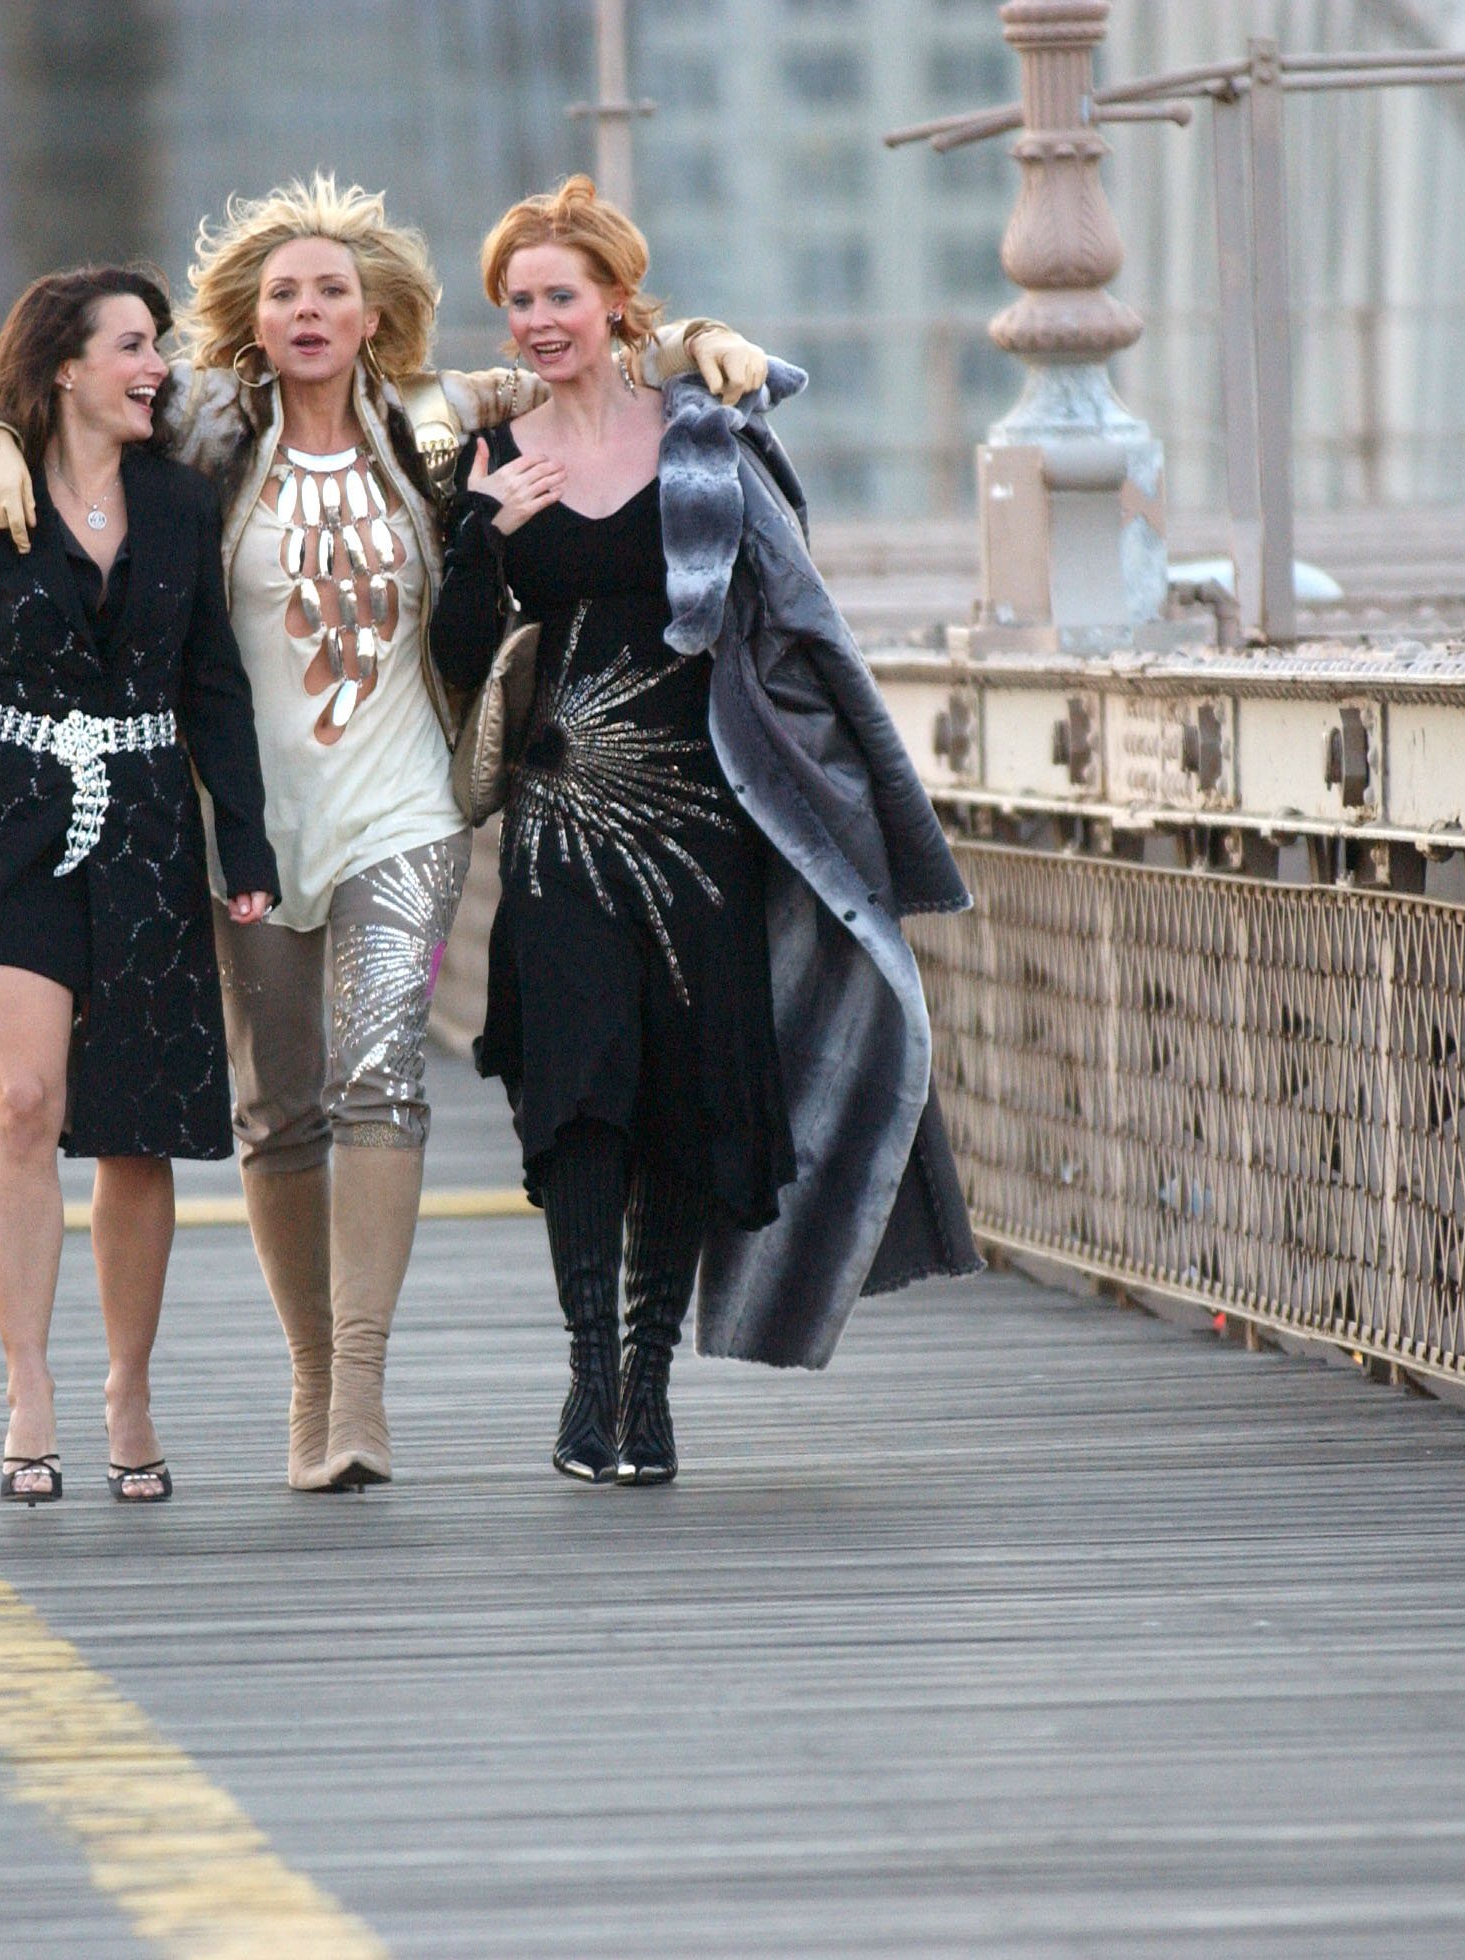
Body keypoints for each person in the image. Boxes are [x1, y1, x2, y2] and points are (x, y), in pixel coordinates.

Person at [0, 176, 770, 1492]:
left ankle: (360, 1391)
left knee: (381, 1074)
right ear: (248, 325)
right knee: (277, 1111)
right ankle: (307, 1374)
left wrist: (703, 340)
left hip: (403, 810)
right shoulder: (201, 429)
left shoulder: (432, 419)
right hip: (248, 824)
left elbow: (583, 346)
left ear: (374, 316)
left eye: (332, 289)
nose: (308, 309)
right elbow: (50, 400)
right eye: (282, 293)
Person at [430, 178, 982, 1486]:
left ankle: (646, 1389)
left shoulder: (706, 438)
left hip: (703, 824)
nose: (539, 321)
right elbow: (453, 664)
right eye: (518, 302)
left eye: (561, 295)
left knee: (678, 1107)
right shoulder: (492, 459)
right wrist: (477, 536)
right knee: (581, 1106)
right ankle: (584, 1387)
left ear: (621, 300)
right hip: (562, 829)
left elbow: (795, 620)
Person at [0, 264, 277, 1507]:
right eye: (134, 345)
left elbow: (215, 687)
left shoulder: (183, 503)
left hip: (145, 825)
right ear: (66, 366)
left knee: (134, 1131)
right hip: (12, 822)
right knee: (24, 1101)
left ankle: (125, 1389)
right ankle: (27, 1384)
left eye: (163, 346)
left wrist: (241, 844)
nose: (159, 366)